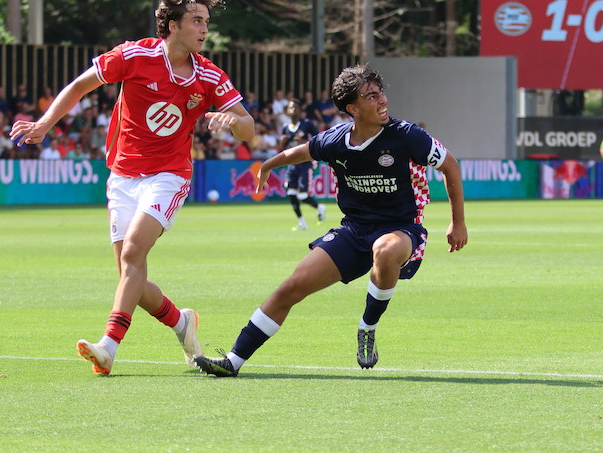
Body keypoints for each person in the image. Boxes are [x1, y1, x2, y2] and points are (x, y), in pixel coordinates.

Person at [9, 0, 254, 376]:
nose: (204, 29)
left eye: (206, 21)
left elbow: (249, 128)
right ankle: (182, 322)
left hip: (169, 175)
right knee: (131, 276)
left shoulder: (209, 75)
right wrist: (44, 124)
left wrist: (233, 121)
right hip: (123, 174)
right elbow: (80, 85)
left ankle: (108, 346)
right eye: (196, 20)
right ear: (173, 25)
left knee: (133, 254)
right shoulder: (135, 55)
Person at [195, 63, 468, 377]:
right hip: (354, 231)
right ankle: (233, 360)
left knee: (385, 249)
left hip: (402, 228)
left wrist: (457, 223)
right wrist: (268, 165)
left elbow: (450, 166)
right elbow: (299, 153)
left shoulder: (408, 136)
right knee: (291, 287)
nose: (382, 100)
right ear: (352, 108)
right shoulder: (335, 141)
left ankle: (368, 326)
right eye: (371, 96)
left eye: (380, 93)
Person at [278, 99, 325, 231]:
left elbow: (319, 140)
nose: (293, 110)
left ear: (300, 110)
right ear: (287, 111)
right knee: (291, 193)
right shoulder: (285, 127)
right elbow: (282, 148)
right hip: (292, 165)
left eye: (295, 107)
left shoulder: (307, 124)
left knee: (303, 196)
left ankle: (320, 207)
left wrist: (304, 141)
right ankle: (302, 223)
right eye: (290, 108)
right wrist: (282, 142)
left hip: (305, 163)